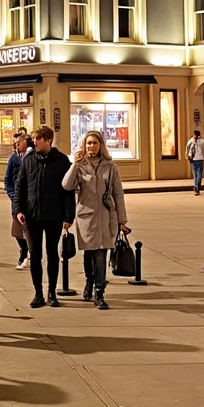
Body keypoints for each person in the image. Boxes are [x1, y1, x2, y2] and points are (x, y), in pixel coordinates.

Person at [62, 130, 131, 311]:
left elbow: (118, 194)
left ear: (101, 145)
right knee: (88, 255)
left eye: (94, 143)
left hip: (107, 217)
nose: (91, 146)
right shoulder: (80, 165)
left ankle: (99, 293)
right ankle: (89, 280)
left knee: (101, 256)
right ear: (84, 145)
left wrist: (122, 220)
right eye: (88, 143)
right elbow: (66, 185)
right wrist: (74, 165)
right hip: (86, 216)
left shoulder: (110, 167)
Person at [12, 125, 75, 308]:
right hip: (31, 216)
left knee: (53, 254)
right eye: (33, 138)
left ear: (48, 140)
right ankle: (38, 293)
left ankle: (52, 293)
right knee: (35, 254)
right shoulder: (29, 160)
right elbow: (20, 186)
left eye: (38, 138)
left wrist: (68, 216)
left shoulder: (62, 161)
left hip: (53, 215)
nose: (34, 141)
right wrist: (18, 210)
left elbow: (68, 191)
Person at [4, 131, 31, 269]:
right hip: (17, 199)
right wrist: (12, 194)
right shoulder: (13, 159)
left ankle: (28, 254)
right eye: (15, 144)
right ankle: (24, 250)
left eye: (18, 143)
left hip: (30, 199)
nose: (16, 146)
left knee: (30, 228)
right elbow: (7, 179)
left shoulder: (32, 157)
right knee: (17, 230)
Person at [185, 129, 204, 195]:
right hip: (200, 159)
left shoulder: (191, 140)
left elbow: (187, 148)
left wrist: (187, 156)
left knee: (195, 174)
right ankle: (197, 187)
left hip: (193, 159)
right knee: (199, 174)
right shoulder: (203, 141)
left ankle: (196, 186)